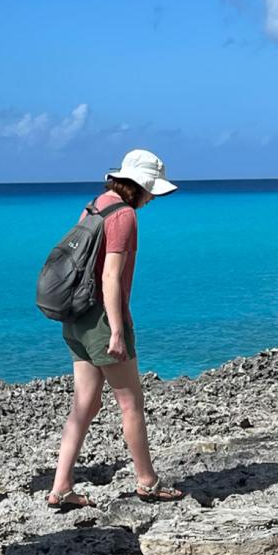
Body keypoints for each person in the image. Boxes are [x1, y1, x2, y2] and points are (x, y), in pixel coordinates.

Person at [46, 149, 184, 510]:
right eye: (151, 191)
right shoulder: (123, 216)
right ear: (138, 186)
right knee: (131, 403)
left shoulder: (94, 206)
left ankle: (60, 487)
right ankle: (147, 481)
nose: (153, 198)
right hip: (101, 320)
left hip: (75, 317)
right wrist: (117, 330)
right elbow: (109, 276)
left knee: (84, 404)